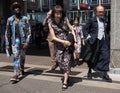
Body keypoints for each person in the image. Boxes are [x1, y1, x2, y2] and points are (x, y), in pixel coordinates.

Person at [48, 5, 77, 90]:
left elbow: (71, 28)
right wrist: (64, 42)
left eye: (60, 13)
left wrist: (74, 40)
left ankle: (65, 82)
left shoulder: (65, 19)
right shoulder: (51, 23)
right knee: (60, 62)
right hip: (59, 45)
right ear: (53, 14)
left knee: (67, 62)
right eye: (57, 13)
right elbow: (53, 37)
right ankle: (66, 74)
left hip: (68, 44)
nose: (59, 15)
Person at [83, 5, 112, 82]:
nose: (101, 13)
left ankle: (105, 74)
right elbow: (84, 29)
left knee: (105, 57)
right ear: (96, 12)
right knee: (92, 56)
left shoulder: (104, 20)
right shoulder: (91, 20)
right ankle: (89, 71)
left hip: (103, 41)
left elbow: (106, 30)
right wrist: (88, 37)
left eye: (102, 11)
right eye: (99, 11)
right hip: (94, 41)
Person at [5, 2, 31, 82]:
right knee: (16, 57)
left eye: (18, 7)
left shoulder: (25, 19)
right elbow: (7, 32)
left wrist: (27, 41)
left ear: (20, 9)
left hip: (23, 41)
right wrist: (7, 44)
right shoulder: (10, 19)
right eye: (15, 7)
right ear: (13, 9)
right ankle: (15, 74)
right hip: (15, 42)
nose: (17, 9)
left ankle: (21, 68)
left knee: (22, 57)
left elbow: (29, 31)